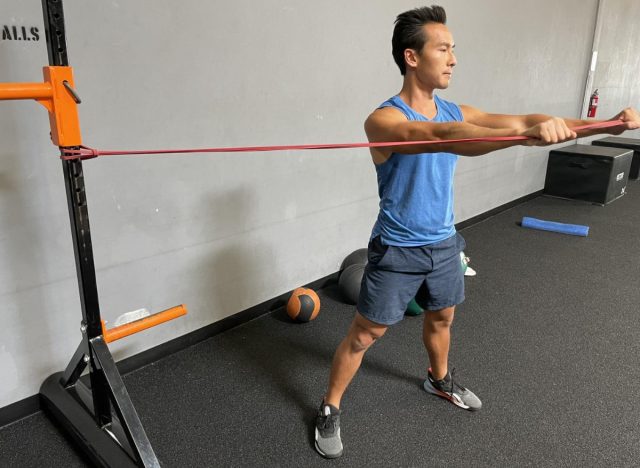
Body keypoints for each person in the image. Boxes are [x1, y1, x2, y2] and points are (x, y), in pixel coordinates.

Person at [314, 4, 640, 459]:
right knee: (366, 334)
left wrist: (606, 124)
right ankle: (330, 407)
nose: (452, 59)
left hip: (445, 243)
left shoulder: (456, 108)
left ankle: (438, 379)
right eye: (443, 49)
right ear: (412, 57)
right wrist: (524, 136)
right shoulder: (384, 121)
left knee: (442, 318)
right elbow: (443, 136)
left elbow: (522, 120)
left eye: (454, 50)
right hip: (398, 249)